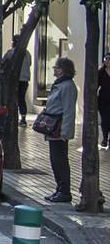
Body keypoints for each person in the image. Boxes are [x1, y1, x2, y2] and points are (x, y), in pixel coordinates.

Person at [40, 57, 78, 203]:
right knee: (55, 160)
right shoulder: (59, 84)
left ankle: (64, 191)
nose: (54, 70)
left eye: (56, 67)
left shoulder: (67, 86)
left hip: (59, 128)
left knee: (60, 160)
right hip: (53, 126)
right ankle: (60, 188)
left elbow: (69, 110)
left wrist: (65, 132)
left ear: (62, 69)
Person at [2, 45, 33, 125]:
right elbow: (30, 63)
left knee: (11, 98)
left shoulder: (11, 52)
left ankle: (11, 117)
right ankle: (23, 118)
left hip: (14, 79)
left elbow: (4, 62)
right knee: (21, 98)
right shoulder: (27, 53)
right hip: (25, 79)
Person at [98, 53, 110, 151]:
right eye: (105, 59)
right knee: (105, 120)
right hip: (103, 101)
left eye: (109, 59)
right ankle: (105, 138)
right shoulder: (101, 72)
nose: (107, 61)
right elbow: (96, 85)